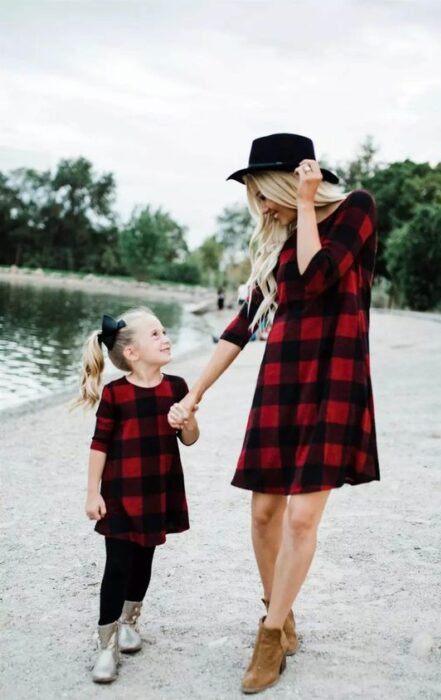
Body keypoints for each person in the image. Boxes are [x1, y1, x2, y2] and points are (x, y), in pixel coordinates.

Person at [170, 133, 379, 694]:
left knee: (302, 519)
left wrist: (308, 204)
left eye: (263, 191)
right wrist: (196, 393)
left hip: (335, 381)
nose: (260, 205)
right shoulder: (282, 239)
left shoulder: (355, 208)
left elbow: (318, 278)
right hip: (282, 383)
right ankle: (280, 611)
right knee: (264, 515)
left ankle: (269, 638)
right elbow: (241, 325)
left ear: (295, 179)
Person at [75, 307, 199, 684]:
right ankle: (106, 644)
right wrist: (92, 493)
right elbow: (99, 445)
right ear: (131, 353)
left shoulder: (176, 387)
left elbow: (190, 439)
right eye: (156, 334)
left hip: (157, 491)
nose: (166, 338)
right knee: (117, 566)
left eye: (164, 332)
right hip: (121, 492)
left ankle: (130, 622)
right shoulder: (116, 394)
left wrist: (187, 417)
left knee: (145, 558)